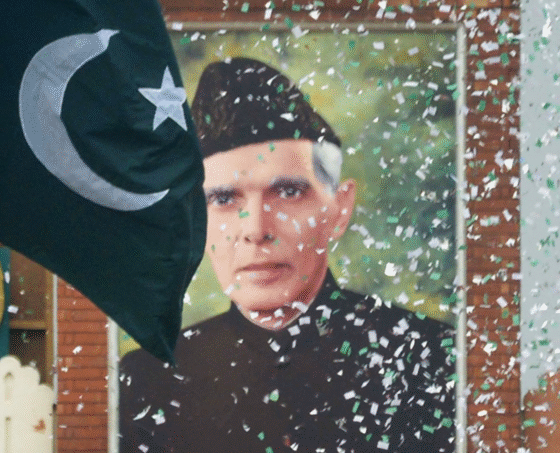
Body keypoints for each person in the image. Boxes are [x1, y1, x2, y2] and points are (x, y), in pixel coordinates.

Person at [119, 58, 455, 453]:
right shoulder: (146, 384)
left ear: (339, 209)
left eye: (289, 192)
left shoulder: (433, 363)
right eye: (223, 199)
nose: (256, 228)